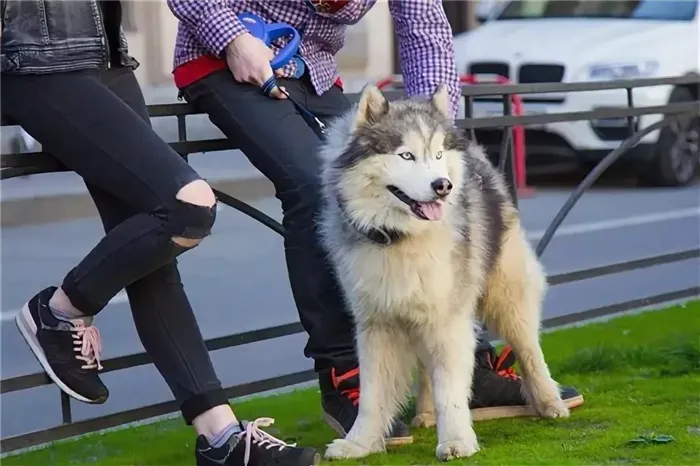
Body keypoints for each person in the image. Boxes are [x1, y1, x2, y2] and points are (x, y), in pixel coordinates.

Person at [166, 0, 584, 447]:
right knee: (314, 187)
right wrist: (231, 38)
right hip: (224, 58)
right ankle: (344, 372)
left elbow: (423, 24)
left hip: (314, 68)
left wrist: (434, 129)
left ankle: (467, 366)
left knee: (403, 198)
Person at [0, 1, 319, 465]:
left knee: (151, 255)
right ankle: (59, 310)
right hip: (35, 61)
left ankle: (220, 438)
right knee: (187, 206)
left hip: (106, 55)